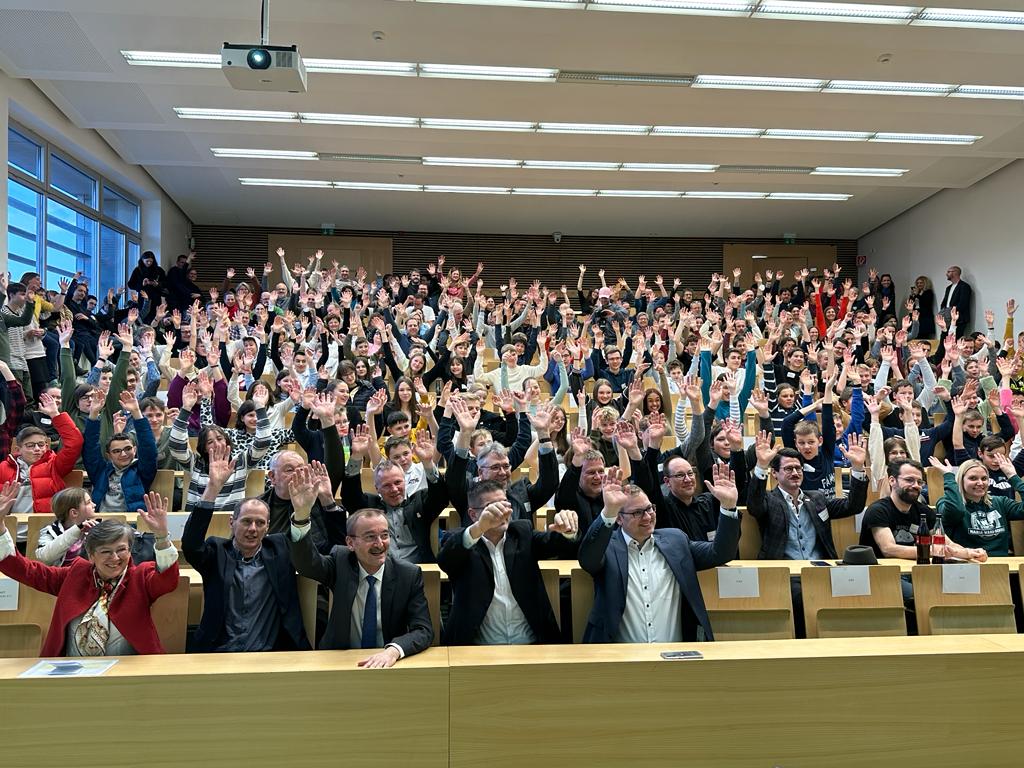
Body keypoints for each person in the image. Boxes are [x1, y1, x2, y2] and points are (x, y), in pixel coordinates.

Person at [0, 485, 179, 656]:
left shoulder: (140, 576)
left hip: (128, 672)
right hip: (71, 670)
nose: (115, 558)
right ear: (91, 555)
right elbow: (24, 570)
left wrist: (162, 537)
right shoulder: (75, 574)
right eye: (106, 552)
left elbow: (167, 581)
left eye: (121, 550)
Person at [578, 463, 740, 643]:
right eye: (637, 513)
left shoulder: (676, 541)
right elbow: (588, 560)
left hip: (675, 657)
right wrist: (608, 511)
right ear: (619, 518)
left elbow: (721, 553)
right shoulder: (606, 546)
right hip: (621, 659)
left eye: (649, 509)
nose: (647, 517)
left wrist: (728, 506)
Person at [288, 467, 433, 665]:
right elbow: (306, 564)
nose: (380, 544)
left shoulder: (408, 574)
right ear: (350, 543)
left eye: (384, 535)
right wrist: (302, 516)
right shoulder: (340, 561)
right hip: (338, 659)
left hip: (387, 663)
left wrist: (393, 651)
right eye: (370, 537)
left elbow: (423, 630)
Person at [181, 442, 310, 653]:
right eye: (246, 521)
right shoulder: (217, 553)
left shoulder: (279, 550)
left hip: (271, 655)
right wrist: (213, 488)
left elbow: (308, 547)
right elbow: (191, 545)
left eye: (260, 523)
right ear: (232, 522)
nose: (253, 529)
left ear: (268, 527)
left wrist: (303, 510)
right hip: (219, 652)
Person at [437, 479, 579, 645]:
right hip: (479, 648)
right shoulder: (462, 541)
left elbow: (554, 543)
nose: (502, 512)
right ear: (473, 514)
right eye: (492, 507)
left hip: (532, 644)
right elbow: (445, 560)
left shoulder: (522, 532)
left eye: (505, 504)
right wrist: (480, 527)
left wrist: (567, 530)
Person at [335, 425, 448, 564]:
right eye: (387, 485)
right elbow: (350, 496)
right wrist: (357, 456)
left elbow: (440, 497)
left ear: (405, 481)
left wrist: (428, 463)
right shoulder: (370, 506)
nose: (394, 489)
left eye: (398, 482)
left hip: (418, 570)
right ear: (377, 488)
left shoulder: (419, 502)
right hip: (380, 570)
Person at [747, 431, 868, 560]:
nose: (795, 473)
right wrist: (762, 465)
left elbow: (854, 506)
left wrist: (857, 468)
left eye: (798, 468)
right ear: (774, 473)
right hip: (783, 574)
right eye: (788, 469)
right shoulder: (768, 500)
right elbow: (754, 505)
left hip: (820, 570)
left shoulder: (817, 499)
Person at [0, 392, 83, 514]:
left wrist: (55, 414)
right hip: (9, 526)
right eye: (31, 446)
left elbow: (75, 442)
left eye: (41, 444)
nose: (37, 449)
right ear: (18, 449)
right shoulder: (3, 467)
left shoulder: (54, 465)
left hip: (44, 526)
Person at [932, 455, 1024, 557]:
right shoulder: (945, 503)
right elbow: (956, 511)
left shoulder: (1000, 502)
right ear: (961, 481)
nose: (980, 483)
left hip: (1000, 565)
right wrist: (949, 476)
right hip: (967, 564)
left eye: (984, 478)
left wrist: (1013, 476)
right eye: (973, 478)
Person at [81, 391, 157, 514]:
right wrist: (94, 413)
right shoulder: (101, 471)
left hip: (131, 525)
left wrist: (136, 413)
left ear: (135, 449)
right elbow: (90, 448)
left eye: (127, 449)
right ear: (109, 455)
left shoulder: (142, 471)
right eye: (116, 451)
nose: (123, 454)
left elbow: (148, 447)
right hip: (101, 524)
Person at [260, 450, 346, 552]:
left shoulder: (317, 497)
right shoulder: (260, 506)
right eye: (289, 470)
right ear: (272, 477)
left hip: (318, 562)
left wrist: (327, 498)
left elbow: (340, 547)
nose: (299, 474)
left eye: (301, 469)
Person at [939, 265, 973, 338]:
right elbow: (944, 302)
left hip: (959, 318)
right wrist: (944, 311)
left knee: (955, 339)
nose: (946, 274)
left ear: (955, 273)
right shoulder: (949, 288)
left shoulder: (964, 286)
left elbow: (963, 303)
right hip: (947, 317)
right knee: (946, 338)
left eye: (948, 272)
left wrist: (952, 312)